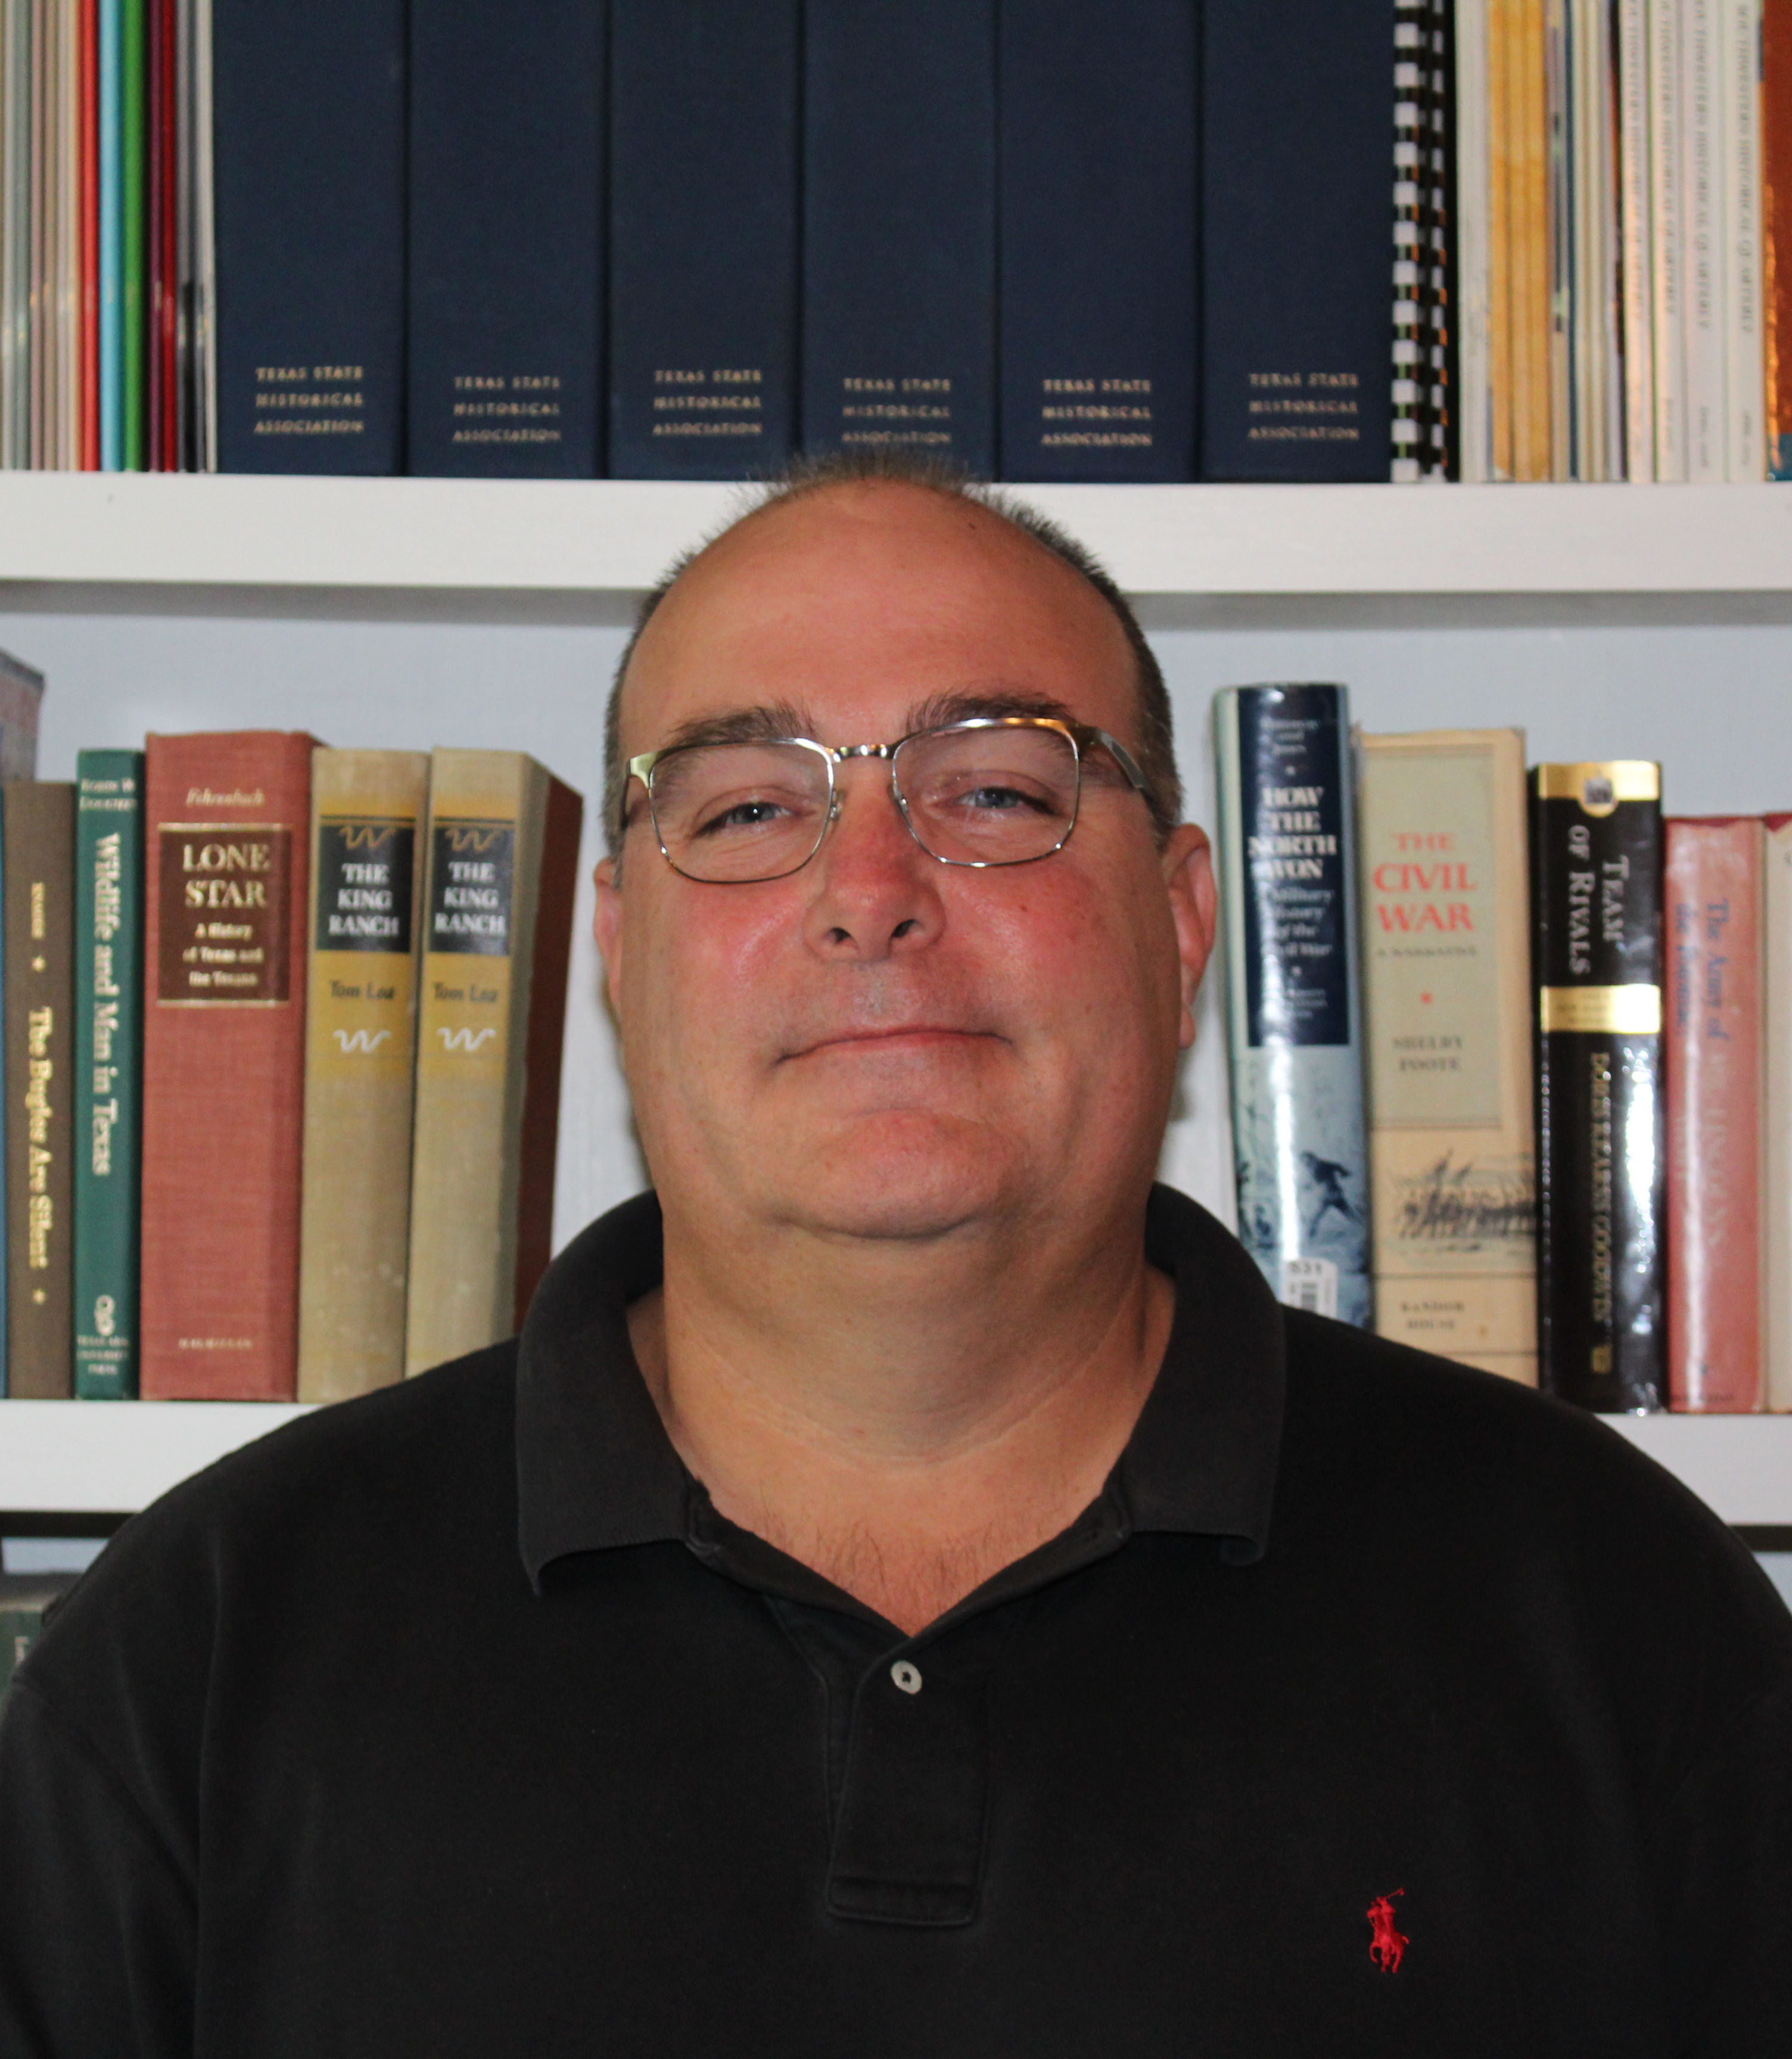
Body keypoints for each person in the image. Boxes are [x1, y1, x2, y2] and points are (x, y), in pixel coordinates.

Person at [2, 451, 1788, 2057]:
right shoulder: (202, 1657)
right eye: (749, 808)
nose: (871, 886)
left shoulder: (1625, 1626)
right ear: (615, 948)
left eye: (999, 790)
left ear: (1180, 924)